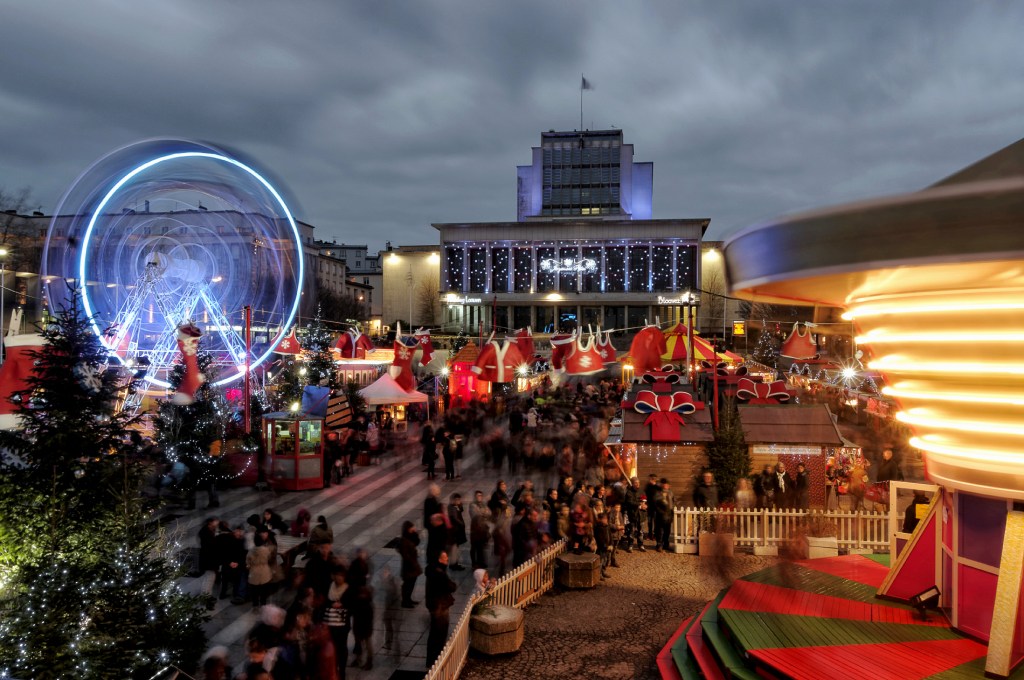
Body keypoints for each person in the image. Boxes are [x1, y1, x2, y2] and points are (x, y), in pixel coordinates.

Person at [424, 551, 458, 669]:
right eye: (444, 557)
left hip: (435, 606)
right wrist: (452, 585)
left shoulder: (433, 570)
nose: (447, 559)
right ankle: (436, 660)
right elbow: (450, 586)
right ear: (439, 559)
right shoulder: (439, 573)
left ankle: (431, 660)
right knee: (439, 635)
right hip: (440, 607)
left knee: (434, 635)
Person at [321, 565, 352, 679]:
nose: (339, 578)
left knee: (341, 648)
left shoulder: (348, 589)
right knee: (330, 647)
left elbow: (352, 606)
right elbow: (324, 603)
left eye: (341, 575)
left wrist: (342, 605)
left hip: (342, 625)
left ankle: (341, 670)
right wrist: (331, 604)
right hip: (329, 623)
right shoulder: (329, 586)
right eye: (337, 575)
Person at [218, 523, 247, 604]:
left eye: (240, 531)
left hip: (237, 564)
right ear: (234, 531)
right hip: (228, 564)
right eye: (237, 531)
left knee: (236, 580)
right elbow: (223, 553)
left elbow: (243, 555)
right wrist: (229, 562)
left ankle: (235, 594)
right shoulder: (227, 539)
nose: (238, 533)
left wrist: (238, 563)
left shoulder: (242, 541)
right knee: (225, 580)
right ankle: (223, 593)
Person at [397, 520, 421, 608]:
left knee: (411, 584)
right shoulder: (404, 541)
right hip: (408, 567)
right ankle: (405, 601)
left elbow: (417, 542)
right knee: (407, 584)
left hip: (413, 565)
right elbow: (405, 555)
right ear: (407, 528)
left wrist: (415, 533)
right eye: (412, 527)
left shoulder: (410, 536)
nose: (413, 528)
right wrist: (412, 562)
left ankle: (409, 599)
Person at [197, 516, 220, 608]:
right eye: (215, 523)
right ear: (210, 523)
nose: (216, 525)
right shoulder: (206, 534)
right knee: (209, 579)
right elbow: (211, 547)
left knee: (208, 579)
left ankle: (206, 596)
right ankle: (205, 598)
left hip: (207, 560)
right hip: (209, 562)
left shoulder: (206, 532)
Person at [447, 493, 467, 571]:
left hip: (456, 531)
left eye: (459, 499)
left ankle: (455, 563)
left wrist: (459, 505)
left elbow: (461, 509)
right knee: (454, 549)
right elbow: (455, 519)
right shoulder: (452, 507)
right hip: (454, 532)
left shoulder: (456, 506)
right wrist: (462, 524)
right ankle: (453, 564)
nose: (458, 501)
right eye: (457, 500)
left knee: (456, 548)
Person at [653, 478, 675, 552]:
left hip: (669, 514)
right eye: (664, 484)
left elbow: (673, 501)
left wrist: (672, 511)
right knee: (660, 531)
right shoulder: (658, 493)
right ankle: (659, 545)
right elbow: (655, 505)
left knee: (667, 531)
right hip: (660, 515)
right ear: (662, 485)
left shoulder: (671, 493)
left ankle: (666, 545)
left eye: (667, 484)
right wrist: (660, 512)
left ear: (669, 486)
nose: (666, 486)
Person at [594, 512, 612, 579]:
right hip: (601, 548)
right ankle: (599, 574)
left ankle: (603, 571)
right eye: (603, 519)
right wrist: (605, 546)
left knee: (605, 560)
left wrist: (611, 544)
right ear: (599, 519)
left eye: (606, 519)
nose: (605, 520)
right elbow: (599, 539)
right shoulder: (598, 528)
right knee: (600, 561)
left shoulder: (607, 526)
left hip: (607, 548)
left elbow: (610, 536)